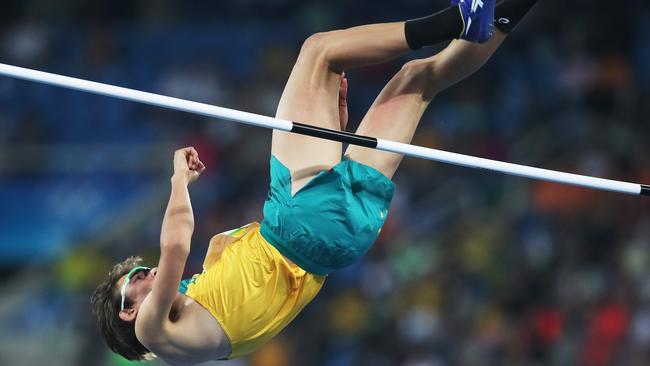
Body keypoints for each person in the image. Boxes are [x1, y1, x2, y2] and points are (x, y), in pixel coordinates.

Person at [91, 0, 538, 364]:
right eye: (134, 277)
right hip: (296, 224)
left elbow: (276, 274)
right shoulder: (152, 327)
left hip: (342, 239)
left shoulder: (204, 317)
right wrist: (178, 181)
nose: (144, 270)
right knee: (318, 51)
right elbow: (173, 246)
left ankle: (506, 12)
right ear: (127, 311)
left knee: (418, 81)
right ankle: (456, 17)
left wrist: (333, 133)